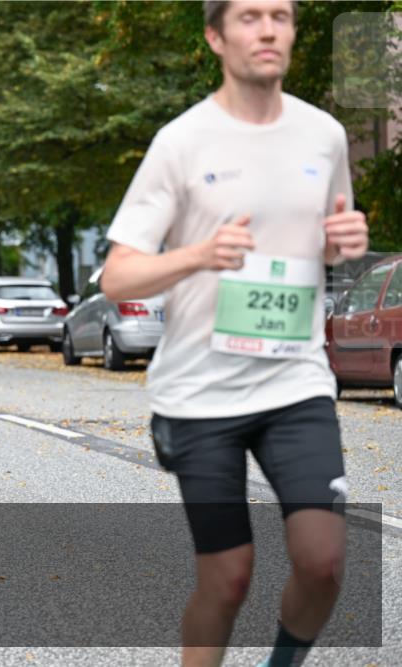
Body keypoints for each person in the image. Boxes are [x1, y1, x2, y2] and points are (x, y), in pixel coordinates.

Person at [100, 3, 369, 666]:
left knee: (324, 561)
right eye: (250, 17)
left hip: (295, 379)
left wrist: (346, 244)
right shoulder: (183, 142)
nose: (269, 29)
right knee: (228, 578)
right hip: (200, 392)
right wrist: (198, 254)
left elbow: (327, 243)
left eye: (281, 15)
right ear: (216, 37)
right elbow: (117, 277)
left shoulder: (324, 135)